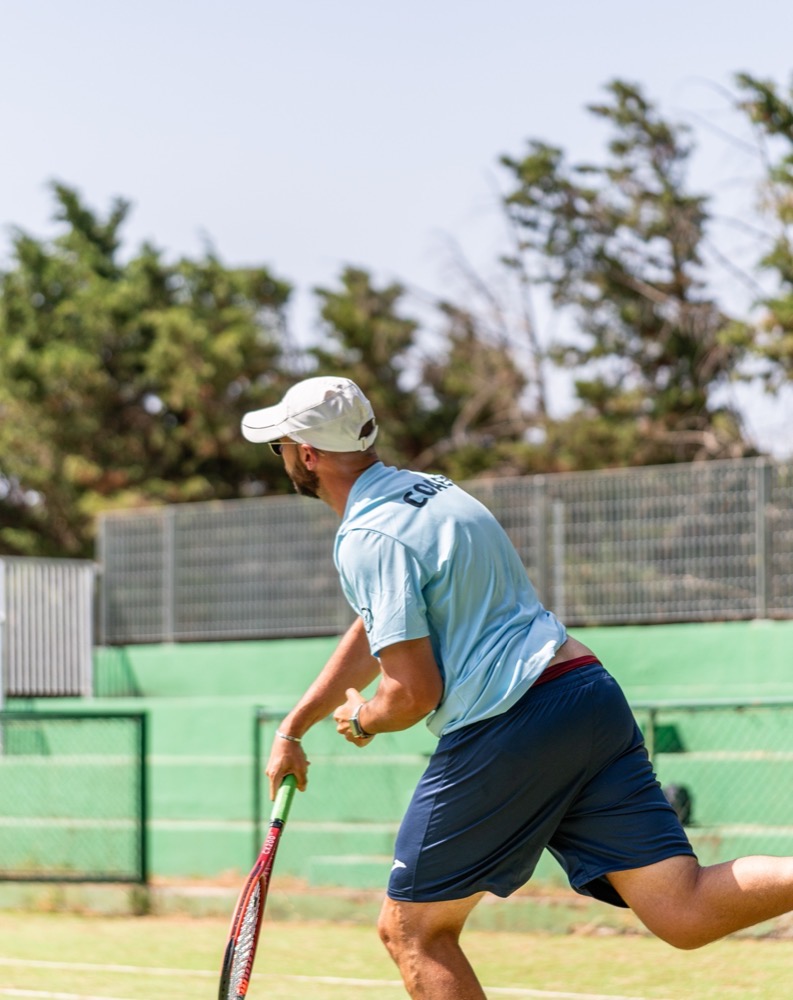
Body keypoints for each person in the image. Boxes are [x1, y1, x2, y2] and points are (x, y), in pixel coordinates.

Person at [242, 375, 793, 1000]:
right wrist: (296, 725)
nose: (281, 457)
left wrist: (363, 719)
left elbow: (413, 692)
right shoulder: (435, 492)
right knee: (683, 909)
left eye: (279, 446)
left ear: (307, 455)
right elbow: (378, 622)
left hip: (509, 722)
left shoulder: (367, 537)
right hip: (586, 693)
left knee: (412, 930)